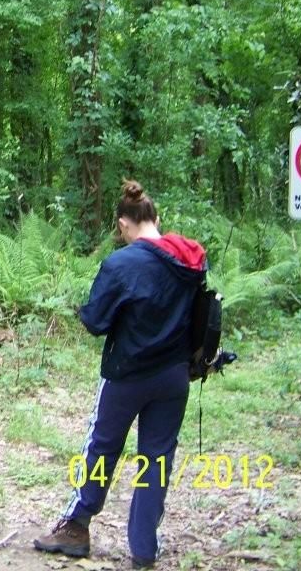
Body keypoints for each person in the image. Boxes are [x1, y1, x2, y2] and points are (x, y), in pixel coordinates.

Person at [33, 180, 207, 569]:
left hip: (126, 375)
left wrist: (84, 308)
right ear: (156, 219)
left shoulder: (122, 263)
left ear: (123, 224)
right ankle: (144, 549)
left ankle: (76, 528)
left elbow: (96, 321)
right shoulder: (192, 260)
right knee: (156, 459)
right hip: (174, 376)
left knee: (102, 448)